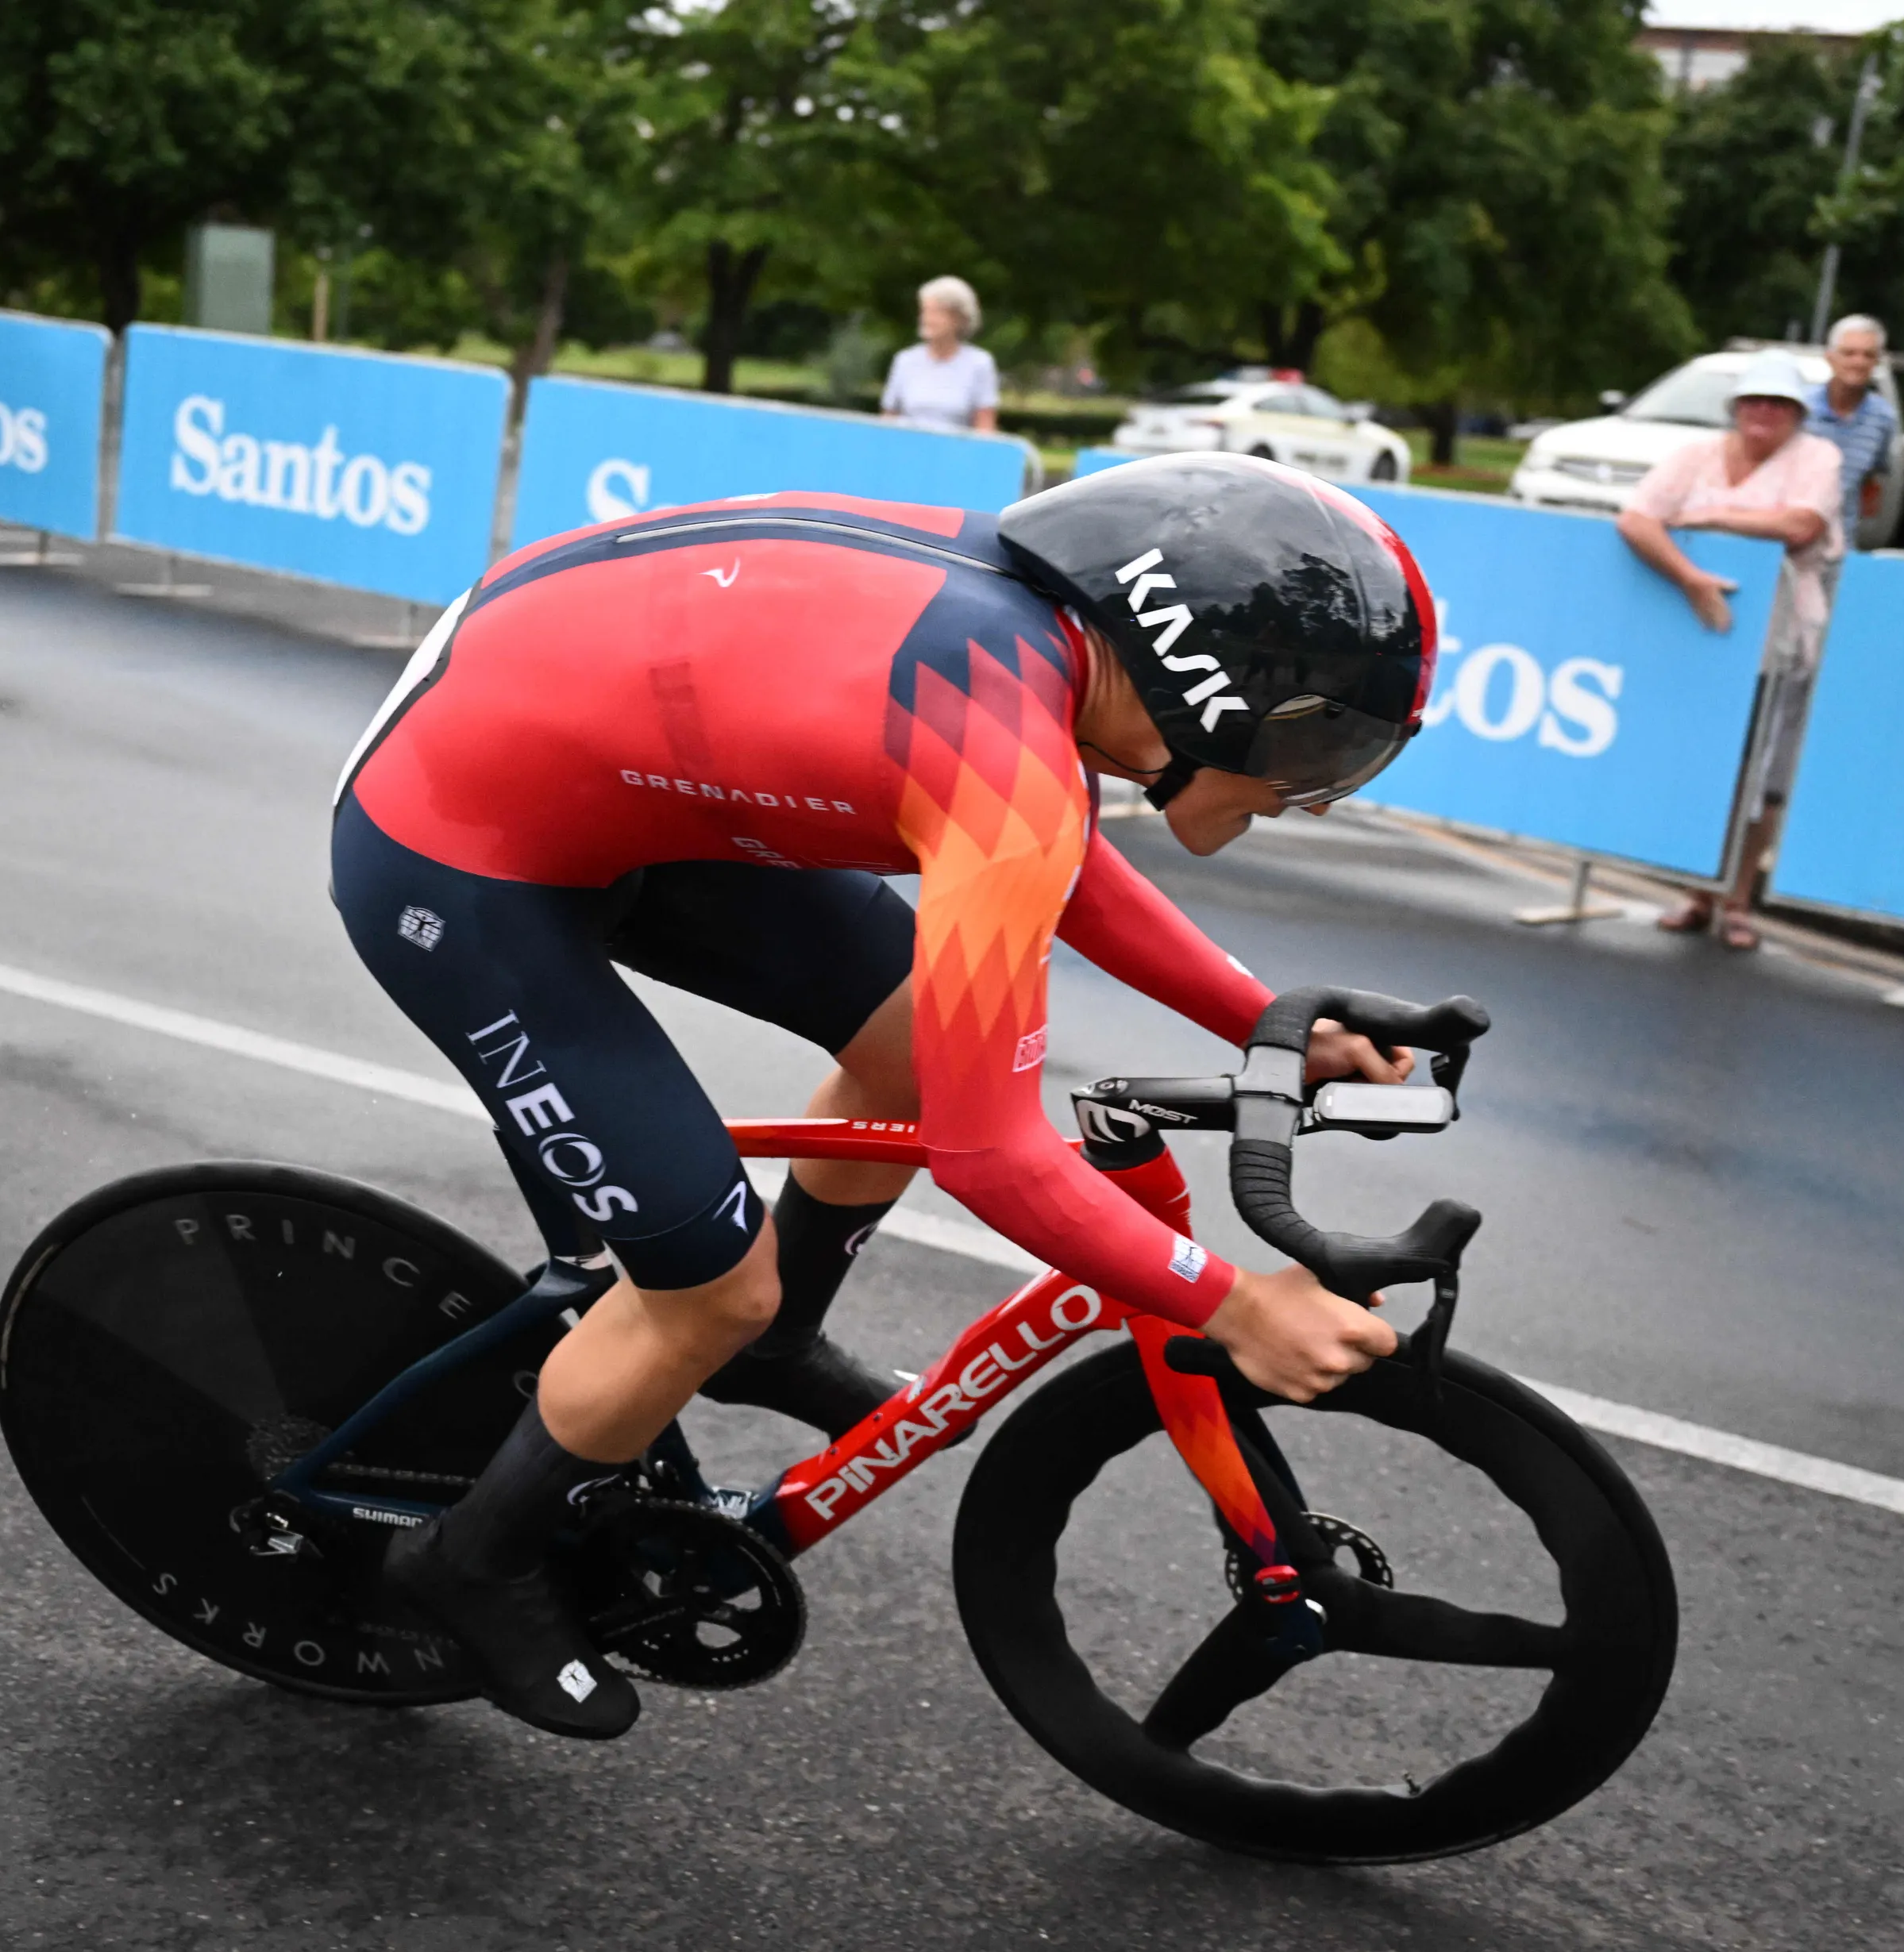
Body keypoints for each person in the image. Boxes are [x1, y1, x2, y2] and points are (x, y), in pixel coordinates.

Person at [335, 453, 1436, 1738]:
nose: (1310, 786)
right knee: (706, 1290)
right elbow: (992, 1154)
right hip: (456, 847)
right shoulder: (1003, 748)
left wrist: (1266, 1022)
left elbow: (1048, 859)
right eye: (1312, 742)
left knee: (913, 1045)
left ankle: (777, 1336)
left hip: (605, 769)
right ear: (1211, 689)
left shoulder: (1047, 636)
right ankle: (469, 1560)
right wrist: (1230, 1303)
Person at [1617, 350, 1844, 951]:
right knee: (1711, 763)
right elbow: (1638, 518)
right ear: (1737, 408)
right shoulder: (1695, 454)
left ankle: (1739, 896)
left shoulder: (1818, 457)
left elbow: (1801, 526)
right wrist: (1690, 575)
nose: (1764, 413)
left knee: (1765, 775)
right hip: (1711, 634)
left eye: (1778, 404)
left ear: (1796, 413)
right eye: (1754, 402)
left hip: (1786, 636)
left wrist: (1712, 515)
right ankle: (1699, 889)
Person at [1806, 314, 1900, 548]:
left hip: (1840, 545)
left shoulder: (1883, 418)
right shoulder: (1801, 409)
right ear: (1830, 357)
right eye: (1849, 353)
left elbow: (1872, 479)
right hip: (1786, 540)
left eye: (1868, 355)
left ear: (1878, 362)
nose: (1858, 362)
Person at [878, 275, 998, 433]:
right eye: (924, 312)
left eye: (936, 313)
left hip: (956, 454)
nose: (927, 319)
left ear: (959, 319)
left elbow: (985, 430)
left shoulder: (980, 364)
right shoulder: (905, 360)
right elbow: (887, 421)